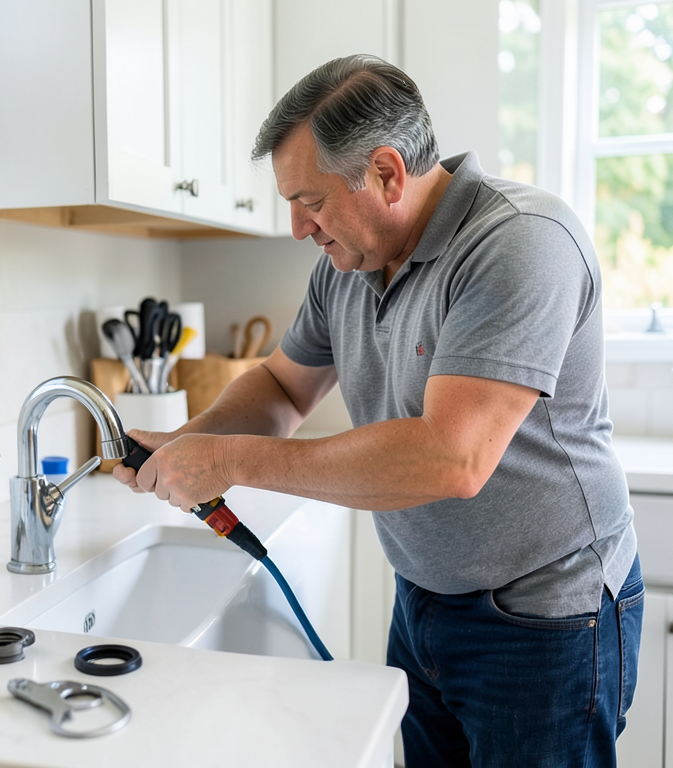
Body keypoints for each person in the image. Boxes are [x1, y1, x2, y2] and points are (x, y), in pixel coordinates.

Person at [113, 54, 642, 767]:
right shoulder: (349, 266)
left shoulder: (520, 242)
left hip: (546, 617)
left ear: (388, 173)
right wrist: (185, 443)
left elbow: (451, 458)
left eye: (312, 201)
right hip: (423, 602)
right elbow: (281, 389)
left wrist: (227, 461)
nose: (300, 227)